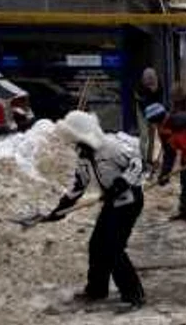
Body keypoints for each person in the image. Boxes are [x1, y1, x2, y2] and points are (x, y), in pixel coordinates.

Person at [45, 111, 146, 308]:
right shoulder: (83, 156)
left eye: (76, 139)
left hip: (129, 201)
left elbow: (137, 163)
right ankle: (97, 289)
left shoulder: (110, 147)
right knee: (97, 244)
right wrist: (61, 208)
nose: (74, 144)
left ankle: (134, 294)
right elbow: (79, 185)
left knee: (113, 248)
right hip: (111, 202)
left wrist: (122, 183)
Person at [158, 83, 186, 185]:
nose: (173, 102)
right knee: (169, 149)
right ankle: (165, 175)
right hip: (181, 131)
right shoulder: (177, 102)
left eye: (175, 100)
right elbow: (173, 114)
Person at [133, 68, 164, 170]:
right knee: (144, 135)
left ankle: (150, 158)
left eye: (152, 83)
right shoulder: (140, 87)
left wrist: (156, 116)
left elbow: (159, 100)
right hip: (142, 110)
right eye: (148, 83)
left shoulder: (159, 85)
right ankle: (143, 160)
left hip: (153, 109)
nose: (151, 85)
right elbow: (139, 101)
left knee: (152, 135)